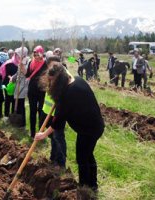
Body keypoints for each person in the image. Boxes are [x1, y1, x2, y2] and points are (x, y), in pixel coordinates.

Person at [35, 63, 104, 193]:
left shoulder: (68, 94)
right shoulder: (76, 80)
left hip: (89, 130)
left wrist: (43, 135)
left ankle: (84, 188)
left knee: (82, 157)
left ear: (60, 80)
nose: (50, 84)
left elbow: (58, 122)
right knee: (88, 155)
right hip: (94, 125)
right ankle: (93, 186)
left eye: (52, 81)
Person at [41, 55, 67, 168]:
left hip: (58, 112)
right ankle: (53, 157)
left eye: (56, 64)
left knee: (58, 136)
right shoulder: (49, 76)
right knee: (52, 137)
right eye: (51, 65)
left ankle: (60, 162)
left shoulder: (62, 77)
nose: (53, 67)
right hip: (47, 111)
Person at [20, 45, 47, 138]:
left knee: (41, 111)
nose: (36, 56)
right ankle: (32, 133)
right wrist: (22, 67)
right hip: (32, 90)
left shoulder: (45, 63)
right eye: (34, 54)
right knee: (32, 111)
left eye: (37, 54)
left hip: (42, 90)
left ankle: (40, 131)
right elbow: (28, 75)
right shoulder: (31, 62)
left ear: (41, 53)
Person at [9, 47, 29, 127]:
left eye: (18, 54)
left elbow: (27, 74)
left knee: (20, 105)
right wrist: (12, 78)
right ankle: (15, 121)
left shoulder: (27, 62)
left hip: (23, 86)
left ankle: (21, 123)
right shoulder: (21, 61)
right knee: (15, 103)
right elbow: (17, 73)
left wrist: (22, 67)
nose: (16, 56)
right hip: (18, 85)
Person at [0, 49, 19, 117]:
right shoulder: (9, 63)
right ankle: (6, 114)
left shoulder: (19, 63)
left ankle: (12, 114)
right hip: (8, 83)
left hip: (15, 83)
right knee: (8, 99)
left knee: (14, 100)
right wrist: (12, 79)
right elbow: (7, 74)